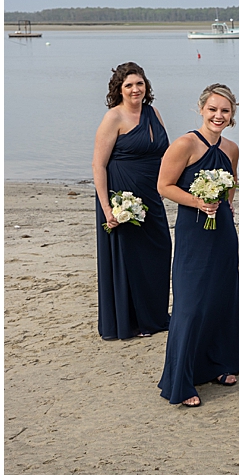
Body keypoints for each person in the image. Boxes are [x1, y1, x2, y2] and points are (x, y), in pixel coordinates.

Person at [157, 84, 239, 407]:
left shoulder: (232, 149)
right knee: (191, 303)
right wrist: (198, 201)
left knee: (221, 297)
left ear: (232, 114)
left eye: (225, 111)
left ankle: (220, 364)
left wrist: (226, 204)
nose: (218, 115)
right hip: (194, 232)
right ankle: (181, 380)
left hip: (222, 231)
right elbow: (163, 186)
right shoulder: (185, 144)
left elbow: (231, 183)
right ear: (201, 109)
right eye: (213, 109)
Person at [93, 62, 171, 340]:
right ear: (120, 89)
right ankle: (134, 322)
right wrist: (106, 208)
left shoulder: (154, 113)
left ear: (146, 86)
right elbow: (98, 165)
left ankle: (156, 316)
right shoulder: (113, 117)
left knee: (161, 251)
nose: (135, 89)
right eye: (129, 85)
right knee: (130, 259)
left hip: (152, 194)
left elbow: (166, 155)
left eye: (139, 83)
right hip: (121, 196)